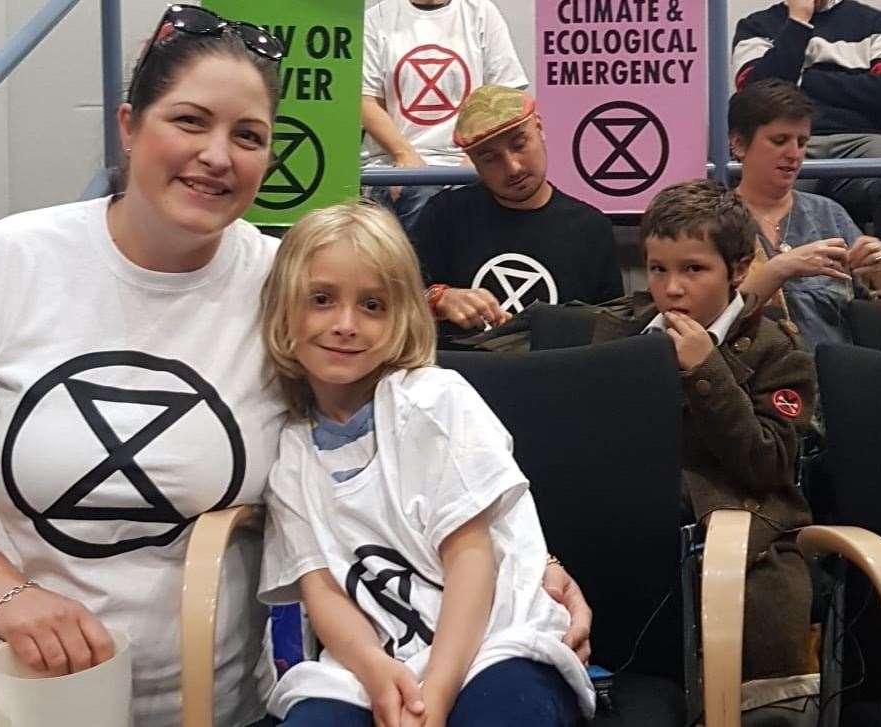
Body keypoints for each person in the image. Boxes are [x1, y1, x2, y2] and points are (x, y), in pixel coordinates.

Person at [0, 8, 593, 725]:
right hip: (24, 692)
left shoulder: (294, 288)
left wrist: (527, 558)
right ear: (128, 126)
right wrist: (4, 592)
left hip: (209, 701)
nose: (218, 155)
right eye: (190, 121)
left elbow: (412, 436)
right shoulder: (7, 262)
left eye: (249, 136)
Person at [257, 201, 595, 727]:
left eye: (372, 305)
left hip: (491, 640)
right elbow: (321, 588)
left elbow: (470, 559)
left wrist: (434, 697)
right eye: (321, 300)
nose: (345, 324)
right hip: (369, 660)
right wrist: (374, 671)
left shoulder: (435, 402)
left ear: (403, 318)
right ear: (284, 312)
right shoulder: (291, 456)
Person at [600, 180, 819, 720]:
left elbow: (769, 465)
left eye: (693, 270)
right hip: (630, 534)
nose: (672, 288)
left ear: (739, 270)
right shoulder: (618, 337)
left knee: (762, 625)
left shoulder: (778, 351)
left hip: (743, 544)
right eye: (657, 269)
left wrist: (707, 372)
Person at [732, 0, 881, 287]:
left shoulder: (877, 23)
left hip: (864, 141)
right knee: (763, 189)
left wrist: (804, 81)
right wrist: (799, 21)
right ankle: (777, 302)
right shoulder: (755, 27)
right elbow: (757, 101)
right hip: (793, 140)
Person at [411, 85, 622, 335]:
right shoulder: (444, 217)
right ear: (473, 161)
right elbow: (393, 301)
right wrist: (438, 299)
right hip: (464, 370)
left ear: (540, 128)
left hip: (557, 371)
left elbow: (610, 334)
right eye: (490, 159)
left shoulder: (591, 228)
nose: (513, 168)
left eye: (520, 145)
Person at [730, 78, 881, 351]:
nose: (794, 154)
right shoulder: (713, 219)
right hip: (748, 383)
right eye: (779, 141)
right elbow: (709, 322)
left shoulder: (829, 214)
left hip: (835, 381)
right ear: (739, 145)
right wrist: (780, 269)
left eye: (802, 142)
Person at [362, 0, 528, 232]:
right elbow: (366, 101)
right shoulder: (376, 18)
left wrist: (475, 156)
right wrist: (404, 155)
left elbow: (506, 96)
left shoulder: (481, 12)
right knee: (423, 196)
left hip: (471, 163)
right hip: (396, 167)